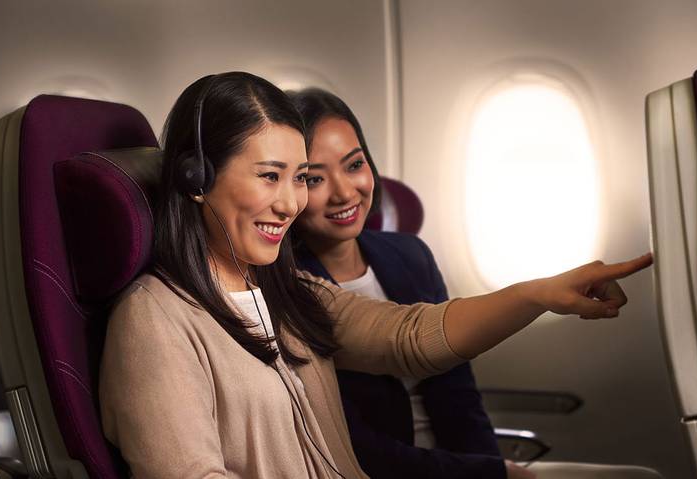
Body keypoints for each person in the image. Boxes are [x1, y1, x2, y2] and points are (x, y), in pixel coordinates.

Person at [98, 71, 652, 479]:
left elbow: (411, 338)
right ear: (197, 177)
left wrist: (537, 295)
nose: (290, 203)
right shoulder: (155, 321)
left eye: (298, 179)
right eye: (270, 176)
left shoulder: (282, 290)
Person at [289, 87, 532, 479]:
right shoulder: (289, 288)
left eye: (354, 165)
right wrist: (485, 474)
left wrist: (491, 467)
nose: (344, 192)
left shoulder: (411, 256)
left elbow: (459, 396)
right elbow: (355, 447)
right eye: (315, 179)